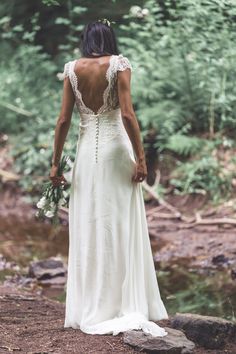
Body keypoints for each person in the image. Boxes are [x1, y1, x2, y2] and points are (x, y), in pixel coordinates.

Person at [50, 19, 169, 337]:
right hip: (117, 151)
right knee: (118, 222)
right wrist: (141, 158)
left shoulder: (71, 68)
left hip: (86, 155)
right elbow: (128, 114)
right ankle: (123, 301)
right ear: (110, 39)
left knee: (90, 222)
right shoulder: (119, 64)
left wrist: (55, 164)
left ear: (85, 39)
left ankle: (93, 305)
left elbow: (63, 120)